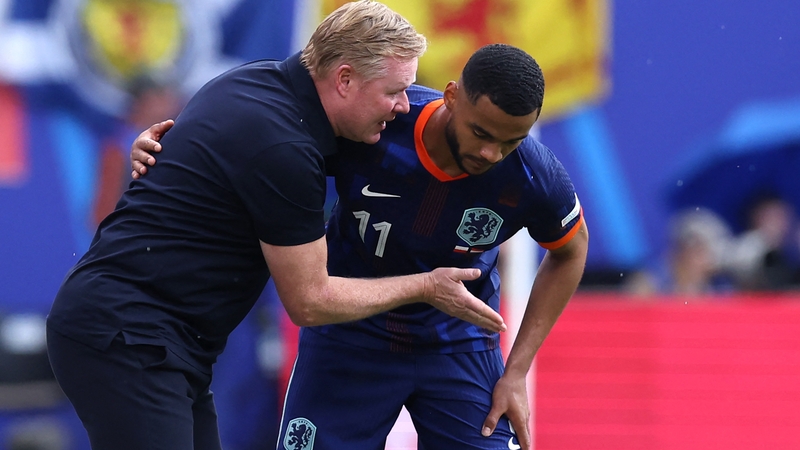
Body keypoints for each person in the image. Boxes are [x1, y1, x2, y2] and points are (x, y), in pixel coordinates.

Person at [46, 2, 505, 450]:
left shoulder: (254, 82)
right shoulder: (284, 146)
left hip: (154, 339)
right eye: (394, 91)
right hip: (128, 337)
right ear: (344, 79)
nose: (404, 106)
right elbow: (310, 301)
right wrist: (426, 286)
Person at [134, 44, 588, 450]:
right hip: (349, 337)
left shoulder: (533, 175)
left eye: (510, 141)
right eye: (482, 133)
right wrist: (168, 148)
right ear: (452, 97)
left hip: (459, 347)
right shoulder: (380, 126)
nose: (491, 153)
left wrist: (516, 371)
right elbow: (259, 139)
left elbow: (571, 250)